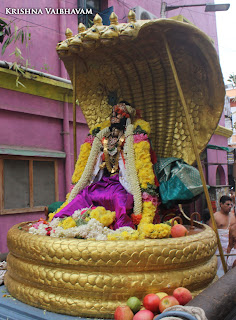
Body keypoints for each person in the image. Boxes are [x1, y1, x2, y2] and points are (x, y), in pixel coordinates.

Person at [54, 101, 158, 229]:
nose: (113, 117)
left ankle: (122, 230)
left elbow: (140, 165)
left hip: (122, 184)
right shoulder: (104, 138)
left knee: (119, 199)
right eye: (113, 113)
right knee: (84, 194)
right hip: (104, 181)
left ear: (126, 118)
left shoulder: (133, 138)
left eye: (118, 114)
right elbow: (95, 165)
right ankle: (61, 221)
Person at [209, 195, 236, 276]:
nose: (230, 207)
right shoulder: (215, 216)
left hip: (232, 247)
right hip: (220, 247)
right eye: (227, 204)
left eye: (231, 205)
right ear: (221, 204)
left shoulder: (233, 216)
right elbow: (211, 233)